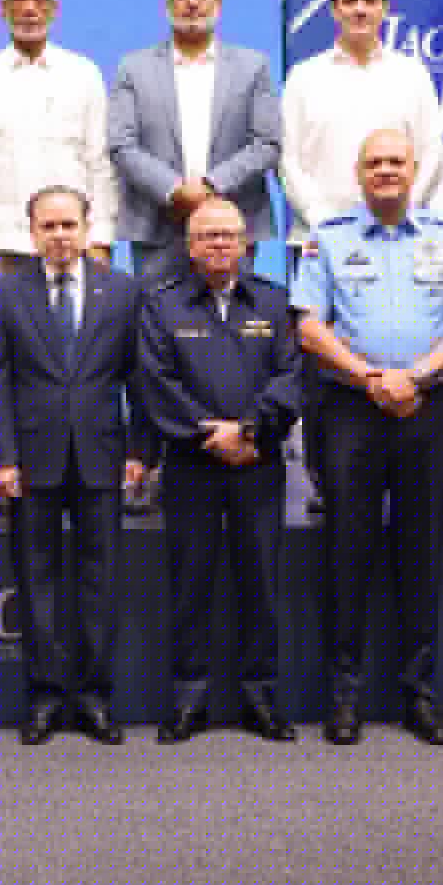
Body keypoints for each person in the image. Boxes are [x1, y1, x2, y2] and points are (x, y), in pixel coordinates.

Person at [296, 128, 443, 746]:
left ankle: (420, 696)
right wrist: (371, 377)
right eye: (375, 162)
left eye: (396, 162)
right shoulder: (328, 238)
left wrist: (415, 375)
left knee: (422, 551)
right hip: (351, 410)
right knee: (346, 552)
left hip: (428, 409)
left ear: (414, 171)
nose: (386, 170)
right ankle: (345, 697)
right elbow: (310, 328)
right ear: (359, 173)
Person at [0, 186, 150, 744]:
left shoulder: (122, 291)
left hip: (103, 455)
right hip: (32, 460)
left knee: (102, 579)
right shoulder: (5, 293)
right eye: (48, 226)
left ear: (87, 228)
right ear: (31, 233)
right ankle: (45, 696)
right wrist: (3, 458)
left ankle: (96, 697)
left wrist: (139, 450)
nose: (59, 235)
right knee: (37, 580)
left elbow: (139, 378)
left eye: (68, 225)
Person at [134, 196, 302, 742]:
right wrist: (213, 435)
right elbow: (156, 383)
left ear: (246, 243)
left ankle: (262, 699)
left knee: (262, 584)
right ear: (189, 247)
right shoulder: (162, 306)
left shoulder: (274, 302)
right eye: (207, 236)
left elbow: (291, 377)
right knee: (190, 585)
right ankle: (190, 699)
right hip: (191, 466)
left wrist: (249, 431)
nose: (219, 244)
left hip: (257, 462)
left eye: (228, 234)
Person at [107, 0, 283, 281]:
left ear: (218, 3)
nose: (192, 2)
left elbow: (267, 143)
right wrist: (174, 190)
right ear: (167, 5)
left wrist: (210, 187)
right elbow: (121, 144)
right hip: (156, 224)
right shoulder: (133, 67)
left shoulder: (253, 66)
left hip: (232, 223)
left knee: (232, 311)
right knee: (154, 310)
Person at [0, 0, 117, 288]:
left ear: (54, 9)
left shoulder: (83, 74)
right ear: (3, 10)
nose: (29, 9)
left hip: (72, 243)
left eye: (39, 0)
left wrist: (101, 238)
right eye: (20, 0)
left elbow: (100, 163)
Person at [279, 0, 442, 251]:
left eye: (370, 0)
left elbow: (431, 153)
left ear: (385, 8)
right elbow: (287, 159)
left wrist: (402, 212)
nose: (360, 9)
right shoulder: (303, 76)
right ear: (334, 9)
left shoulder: (412, 74)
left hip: (398, 236)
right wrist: (324, 220)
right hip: (320, 239)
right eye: (350, 1)